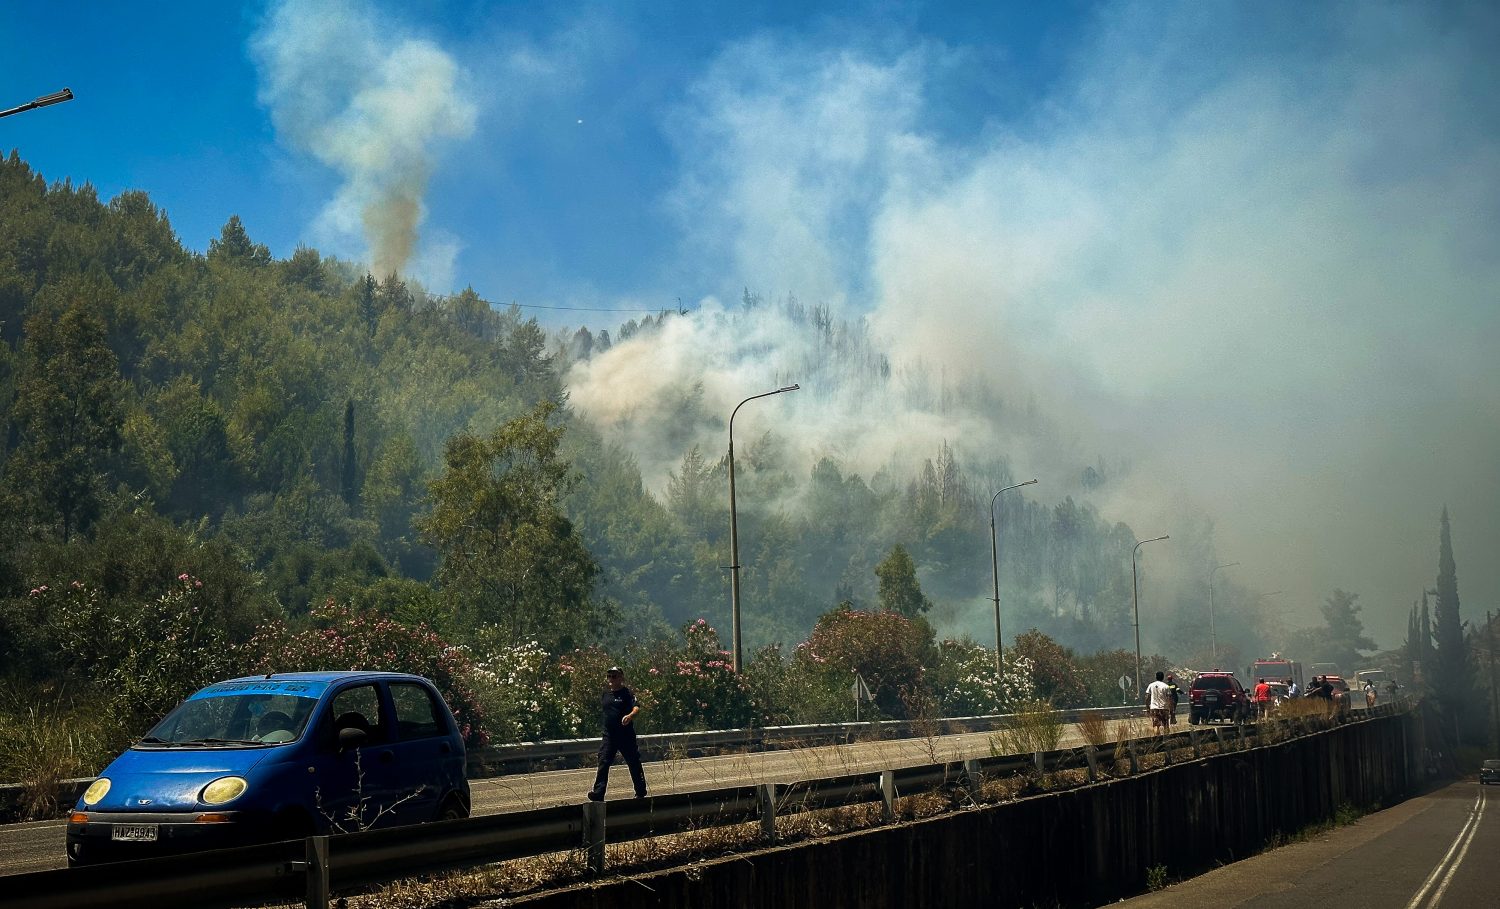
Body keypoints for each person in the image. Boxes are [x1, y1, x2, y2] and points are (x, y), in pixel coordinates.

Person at [588, 666, 648, 801]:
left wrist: (630, 716)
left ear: (621, 678)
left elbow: (637, 707)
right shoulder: (605, 694)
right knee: (603, 761)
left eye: (614, 676)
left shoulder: (627, 693)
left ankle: (640, 791)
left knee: (633, 762)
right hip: (609, 735)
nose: (611, 679)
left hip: (625, 735)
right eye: (609, 676)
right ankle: (598, 793)